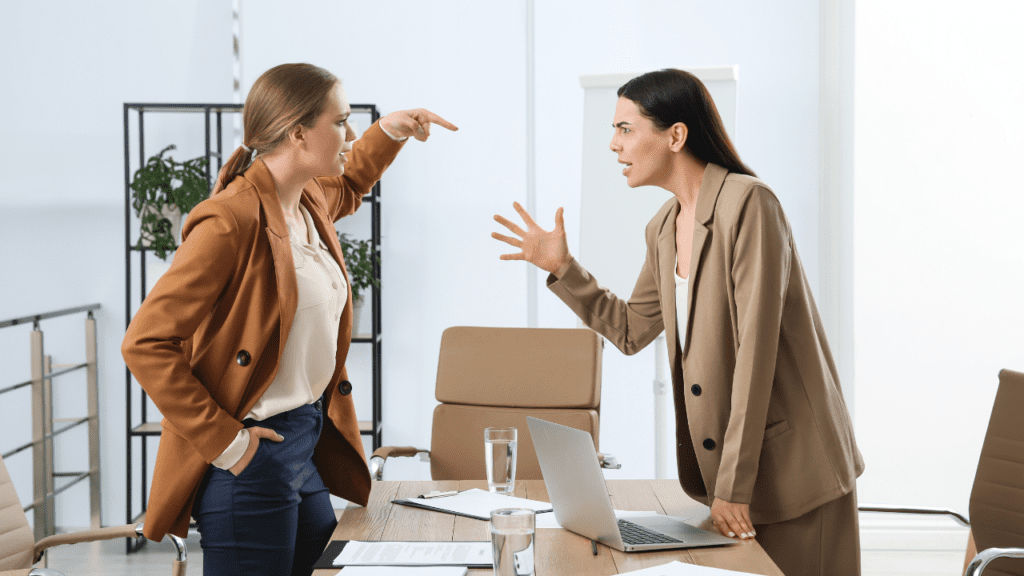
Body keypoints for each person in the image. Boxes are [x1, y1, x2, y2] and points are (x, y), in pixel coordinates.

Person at [491, 69, 863, 576]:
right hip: (734, 484)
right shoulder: (663, 227)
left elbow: (758, 353)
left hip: (796, 474)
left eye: (625, 129)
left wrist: (732, 488)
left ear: (676, 135)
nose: (612, 143)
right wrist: (562, 270)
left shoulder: (749, 204)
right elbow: (630, 330)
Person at [122, 62, 457, 575]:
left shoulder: (306, 200)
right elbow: (145, 342)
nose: (348, 135)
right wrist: (228, 445)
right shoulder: (229, 221)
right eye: (340, 121)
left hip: (303, 440)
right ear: (299, 134)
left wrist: (391, 130)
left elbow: (351, 181)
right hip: (252, 455)